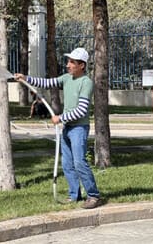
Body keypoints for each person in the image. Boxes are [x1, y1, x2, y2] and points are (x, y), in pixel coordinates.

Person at [14, 47, 102, 209]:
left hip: (78, 129)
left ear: (82, 65)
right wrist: (25, 78)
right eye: (68, 61)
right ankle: (74, 195)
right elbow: (47, 83)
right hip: (67, 128)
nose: (68, 65)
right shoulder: (67, 78)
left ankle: (94, 196)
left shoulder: (86, 83)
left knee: (79, 162)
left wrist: (60, 118)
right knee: (67, 164)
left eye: (72, 62)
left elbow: (81, 110)